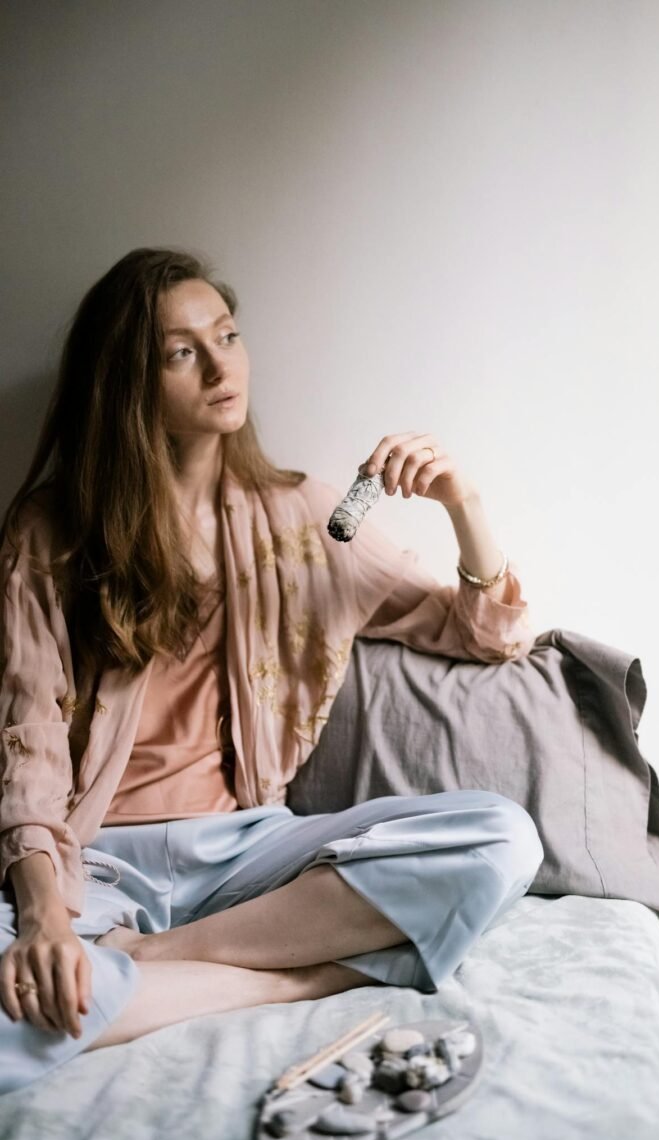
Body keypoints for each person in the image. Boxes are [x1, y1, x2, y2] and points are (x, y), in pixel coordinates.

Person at [0, 248, 543, 1095]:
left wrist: (461, 501)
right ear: (127, 382)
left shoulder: (303, 518)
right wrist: (43, 917)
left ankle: (154, 967)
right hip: (95, 864)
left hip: (249, 855)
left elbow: (481, 632)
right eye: (183, 351)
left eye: (228, 334)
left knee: (501, 836)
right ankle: (290, 978)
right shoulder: (51, 534)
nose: (223, 366)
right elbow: (27, 736)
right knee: (17, 996)